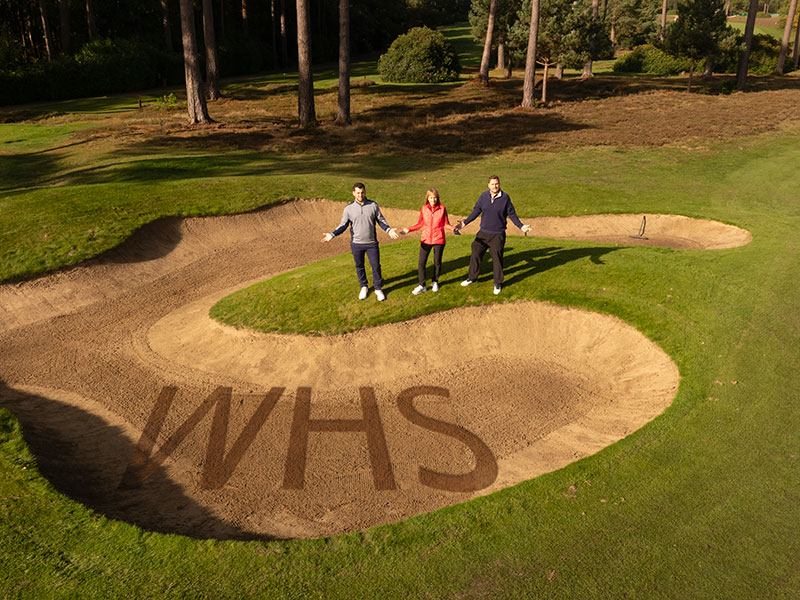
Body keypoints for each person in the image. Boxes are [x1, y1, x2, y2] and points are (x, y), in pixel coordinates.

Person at [322, 182, 400, 301]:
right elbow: (343, 225)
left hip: (371, 243)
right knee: (359, 266)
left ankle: (378, 288)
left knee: (375, 266)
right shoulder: (348, 209)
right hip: (356, 244)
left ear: (365, 192)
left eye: (362, 192)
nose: (360, 195)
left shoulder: (373, 205)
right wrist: (332, 235)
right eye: (358, 193)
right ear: (353, 193)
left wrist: (389, 230)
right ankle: (363, 286)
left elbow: (381, 220)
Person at [454, 175, 531, 295]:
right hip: (483, 233)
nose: (495, 186)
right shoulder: (484, 196)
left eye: (497, 184)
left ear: (499, 184)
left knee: (497, 258)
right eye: (492, 184)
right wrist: (465, 222)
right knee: (475, 251)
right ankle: (473, 278)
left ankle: (497, 282)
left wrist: (521, 226)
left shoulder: (505, 198)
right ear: (488, 185)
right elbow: (476, 211)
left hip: (497, 234)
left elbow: (512, 214)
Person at [401, 188, 456, 295]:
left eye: (435, 198)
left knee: (437, 263)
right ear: (428, 198)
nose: (433, 200)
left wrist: (454, 229)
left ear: (437, 198)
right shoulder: (424, 209)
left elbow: (446, 224)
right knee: (421, 263)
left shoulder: (442, 209)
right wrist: (409, 229)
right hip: (425, 239)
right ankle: (422, 285)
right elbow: (420, 224)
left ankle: (435, 282)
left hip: (439, 240)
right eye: (431, 198)